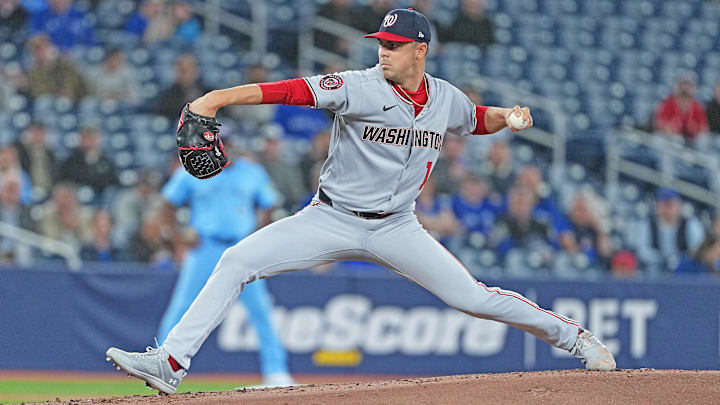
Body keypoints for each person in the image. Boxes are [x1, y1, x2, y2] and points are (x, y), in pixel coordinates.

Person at [106, 9, 615, 395]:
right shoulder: (357, 86)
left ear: (421, 51)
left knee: (473, 298)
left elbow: (476, 117)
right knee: (236, 260)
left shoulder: (445, 98)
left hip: (398, 227)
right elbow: (285, 92)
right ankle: (171, 363)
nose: (383, 52)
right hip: (330, 217)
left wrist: (509, 116)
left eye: (394, 45)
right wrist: (215, 98)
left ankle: (576, 339)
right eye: (381, 43)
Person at [154, 142, 294, 388]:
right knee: (180, 308)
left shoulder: (252, 172)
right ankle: (160, 366)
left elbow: (269, 204)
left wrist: (259, 239)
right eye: (219, 143)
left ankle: (276, 372)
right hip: (205, 248)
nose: (224, 147)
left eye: (227, 142)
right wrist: (178, 242)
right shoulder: (194, 169)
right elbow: (167, 204)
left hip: (241, 250)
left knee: (261, 311)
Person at [654, 75, 709, 143]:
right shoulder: (668, 103)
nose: (685, 89)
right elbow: (659, 123)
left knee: (702, 140)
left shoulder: (697, 107)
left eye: (688, 86)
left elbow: (704, 127)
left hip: (691, 140)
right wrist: (669, 127)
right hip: (670, 138)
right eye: (683, 86)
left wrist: (695, 128)